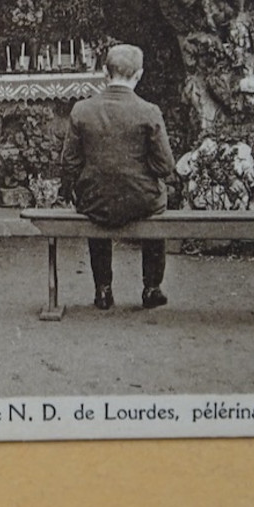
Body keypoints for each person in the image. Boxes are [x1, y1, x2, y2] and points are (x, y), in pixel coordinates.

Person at [60, 43, 177, 310]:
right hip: (142, 201)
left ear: (104, 72)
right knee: (158, 205)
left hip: (96, 201)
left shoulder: (82, 110)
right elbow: (165, 166)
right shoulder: (149, 111)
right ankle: (151, 288)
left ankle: (103, 289)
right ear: (139, 75)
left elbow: (69, 162)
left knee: (97, 204)